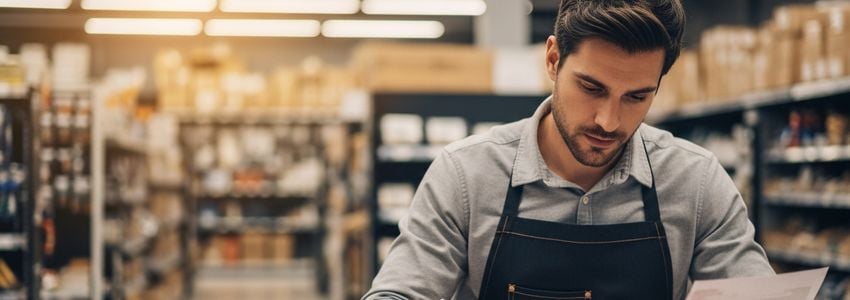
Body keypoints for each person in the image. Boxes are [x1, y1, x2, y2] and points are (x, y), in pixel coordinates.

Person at [363, 0, 774, 299]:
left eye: (636, 97)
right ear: (554, 59)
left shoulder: (697, 182)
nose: (608, 121)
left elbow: (754, 292)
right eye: (591, 88)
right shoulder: (467, 175)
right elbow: (398, 293)